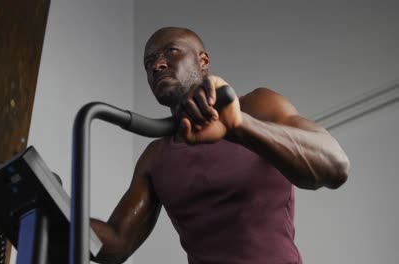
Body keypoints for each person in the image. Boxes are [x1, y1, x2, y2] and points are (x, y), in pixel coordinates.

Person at [90, 27, 350, 264]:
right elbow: (115, 245)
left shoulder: (258, 106)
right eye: (149, 63)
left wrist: (239, 126)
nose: (157, 65)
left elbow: (335, 166)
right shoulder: (154, 158)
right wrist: (51, 201)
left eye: (171, 52)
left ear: (203, 61)